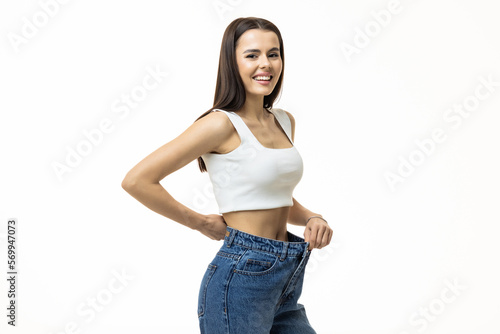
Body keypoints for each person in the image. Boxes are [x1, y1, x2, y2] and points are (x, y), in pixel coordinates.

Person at [121, 16, 333, 334]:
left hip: (288, 276)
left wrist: (313, 218)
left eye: (273, 54)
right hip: (242, 275)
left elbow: (271, 195)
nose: (266, 64)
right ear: (232, 63)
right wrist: (201, 222)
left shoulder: (284, 120)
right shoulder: (219, 124)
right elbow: (137, 180)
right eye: (252, 55)